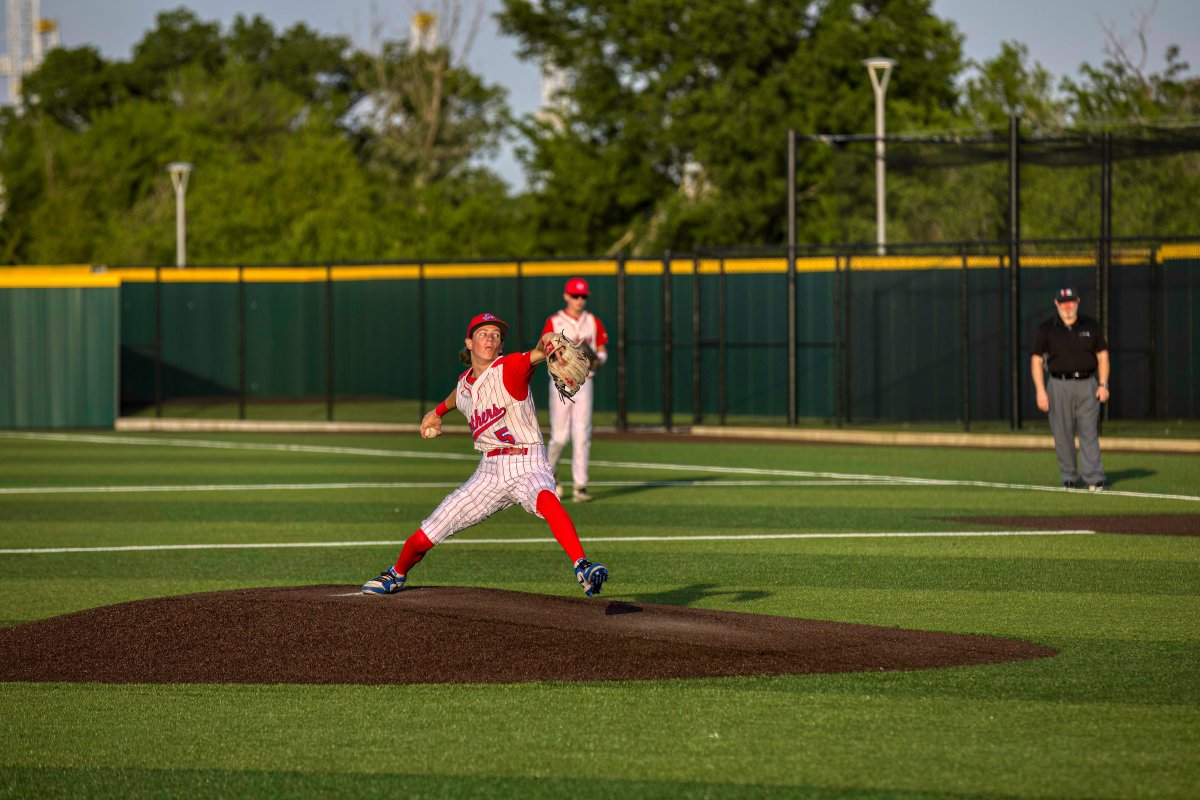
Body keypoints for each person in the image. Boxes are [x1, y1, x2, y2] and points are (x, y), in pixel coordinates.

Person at [362, 312, 609, 597]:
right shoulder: (464, 384)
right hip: (488, 471)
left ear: (501, 345)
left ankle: (582, 566)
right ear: (469, 343)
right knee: (433, 527)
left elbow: (539, 352)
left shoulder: (510, 366)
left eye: (496, 335)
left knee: (545, 496)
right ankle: (396, 574)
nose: (490, 338)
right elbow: (458, 395)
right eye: (483, 333)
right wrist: (437, 412)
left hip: (526, 461)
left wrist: (548, 339)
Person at [1031, 287, 1111, 491]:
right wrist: (1040, 391)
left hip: (1087, 384)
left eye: (1071, 301)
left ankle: (1094, 478)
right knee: (1062, 434)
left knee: (1089, 433)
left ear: (1078, 301)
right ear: (1056, 304)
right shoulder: (1047, 329)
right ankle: (1069, 478)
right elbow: (1036, 360)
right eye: (1063, 302)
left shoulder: (1090, 326)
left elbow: (1102, 356)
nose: (1067, 306)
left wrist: (1103, 384)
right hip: (1058, 385)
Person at [541, 277, 608, 502]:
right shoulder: (554, 321)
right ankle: (549, 474)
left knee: (582, 434)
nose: (579, 300)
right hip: (561, 383)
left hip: (585, 382)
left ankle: (581, 486)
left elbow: (602, 351)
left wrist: (597, 360)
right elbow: (545, 349)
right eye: (575, 296)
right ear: (566, 296)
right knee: (560, 437)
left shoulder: (592, 321)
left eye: (583, 296)